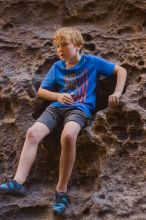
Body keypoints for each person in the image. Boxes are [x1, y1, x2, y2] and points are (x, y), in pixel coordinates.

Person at [0, 27, 127, 214]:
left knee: (68, 136)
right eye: (57, 46)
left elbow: (121, 70)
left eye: (64, 45)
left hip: (80, 108)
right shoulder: (57, 66)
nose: (59, 50)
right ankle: (18, 182)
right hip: (56, 107)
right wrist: (58, 96)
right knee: (32, 133)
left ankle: (61, 191)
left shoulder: (91, 62)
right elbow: (42, 91)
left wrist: (116, 92)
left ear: (77, 45)